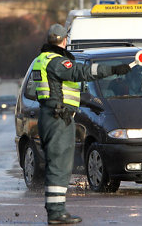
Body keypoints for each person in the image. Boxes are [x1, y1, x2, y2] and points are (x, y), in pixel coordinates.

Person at [33, 24, 131, 225]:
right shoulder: (57, 62)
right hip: (58, 118)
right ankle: (56, 213)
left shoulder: (41, 60)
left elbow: (56, 89)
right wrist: (114, 70)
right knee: (59, 165)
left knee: (58, 164)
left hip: (53, 116)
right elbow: (82, 72)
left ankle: (56, 210)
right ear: (64, 40)